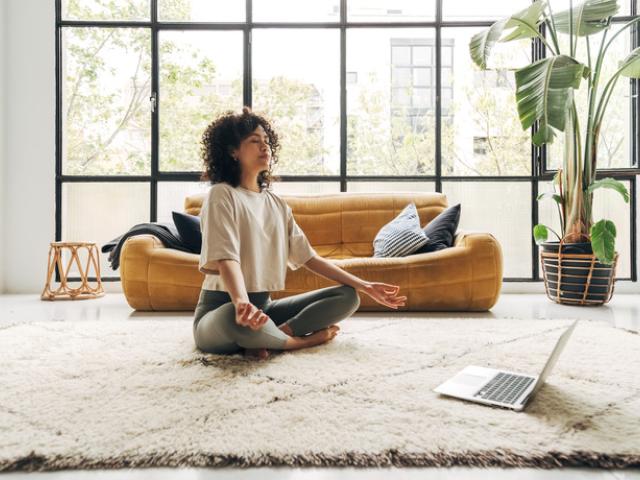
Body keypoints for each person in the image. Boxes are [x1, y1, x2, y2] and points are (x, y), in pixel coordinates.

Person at [193, 106, 407, 360]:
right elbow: (227, 258)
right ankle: (297, 342)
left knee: (348, 296)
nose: (265, 147)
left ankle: (275, 335)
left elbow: (310, 258)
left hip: (264, 309)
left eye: (267, 141)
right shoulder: (222, 195)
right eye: (254, 141)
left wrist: (365, 285)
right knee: (232, 318)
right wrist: (240, 302)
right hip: (221, 311)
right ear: (232, 151)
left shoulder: (277, 204)